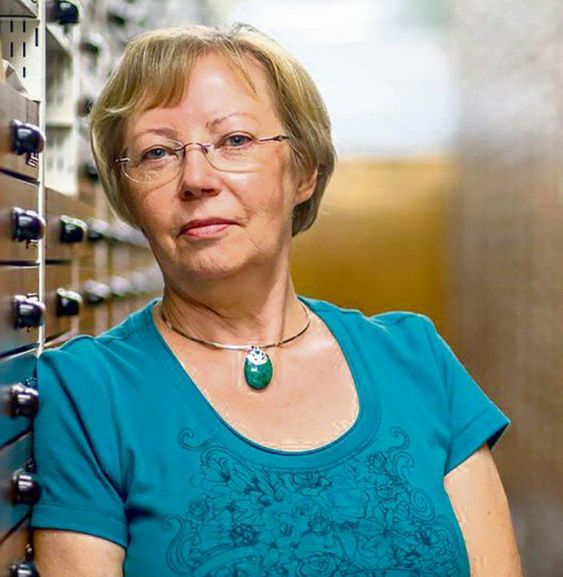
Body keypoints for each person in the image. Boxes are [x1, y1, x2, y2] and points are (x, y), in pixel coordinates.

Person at [30, 23, 523, 577]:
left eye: (235, 141)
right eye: (157, 153)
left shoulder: (417, 360)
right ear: (128, 195)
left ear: (304, 171)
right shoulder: (87, 392)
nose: (196, 178)